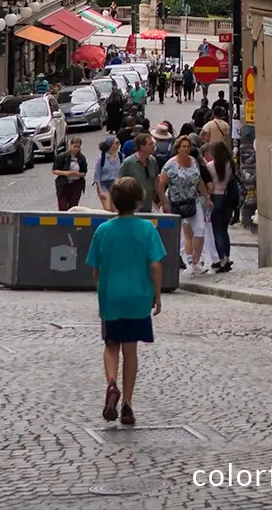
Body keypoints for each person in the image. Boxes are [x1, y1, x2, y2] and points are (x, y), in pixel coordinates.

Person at [86, 175, 164, 427]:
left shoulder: (103, 230)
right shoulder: (147, 229)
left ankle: (111, 384)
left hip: (112, 297)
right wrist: (157, 294)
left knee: (111, 345)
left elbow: (95, 270)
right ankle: (127, 405)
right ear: (139, 201)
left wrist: (102, 283)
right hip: (138, 297)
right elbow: (155, 264)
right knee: (131, 351)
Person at [159, 135, 206, 274]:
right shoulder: (170, 165)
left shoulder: (193, 161)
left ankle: (197, 261)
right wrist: (164, 201)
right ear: (178, 148)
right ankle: (190, 262)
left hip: (193, 200)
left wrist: (207, 196)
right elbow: (161, 183)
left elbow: (199, 180)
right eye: (183, 146)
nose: (186, 149)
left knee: (201, 229)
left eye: (188, 146)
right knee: (187, 233)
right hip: (178, 203)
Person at [204, 140, 238, 273]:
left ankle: (222, 259)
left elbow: (209, 185)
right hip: (228, 198)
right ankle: (228, 257)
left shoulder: (210, 166)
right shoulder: (231, 164)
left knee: (217, 230)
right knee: (224, 230)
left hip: (216, 197)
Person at [118, 133, 161, 213]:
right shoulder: (128, 163)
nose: (154, 146)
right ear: (142, 147)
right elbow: (119, 186)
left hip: (148, 207)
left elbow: (156, 181)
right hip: (132, 209)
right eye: (150, 144)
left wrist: (162, 200)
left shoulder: (153, 161)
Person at [53, 136, 89, 211]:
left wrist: (78, 174)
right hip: (63, 185)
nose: (76, 149)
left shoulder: (81, 158)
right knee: (62, 207)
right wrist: (67, 173)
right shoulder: (62, 156)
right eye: (75, 146)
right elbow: (55, 170)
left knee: (73, 208)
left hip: (76, 185)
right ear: (70, 145)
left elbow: (84, 172)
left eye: (78, 147)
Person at [93, 136, 123, 211]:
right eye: (117, 143)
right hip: (104, 184)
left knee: (115, 209)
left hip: (115, 184)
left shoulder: (120, 156)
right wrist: (100, 191)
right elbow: (97, 176)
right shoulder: (102, 158)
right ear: (111, 145)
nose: (119, 144)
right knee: (107, 209)